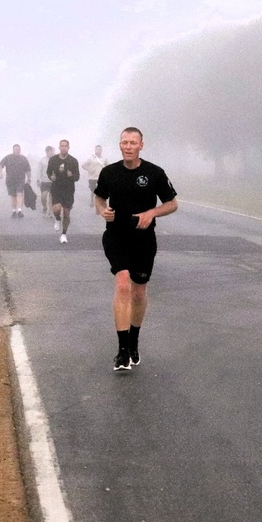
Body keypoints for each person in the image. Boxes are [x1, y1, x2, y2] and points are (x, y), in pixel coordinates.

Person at [93, 127, 178, 372]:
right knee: (122, 284)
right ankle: (121, 351)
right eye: (124, 142)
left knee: (139, 293)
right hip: (116, 236)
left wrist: (152, 212)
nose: (128, 146)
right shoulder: (109, 173)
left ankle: (133, 340)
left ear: (141, 145)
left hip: (143, 239)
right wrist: (103, 210)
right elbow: (99, 198)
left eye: (133, 143)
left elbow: (172, 203)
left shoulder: (154, 173)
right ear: (119, 145)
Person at [46, 139, 80, 244]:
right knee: (56, 209)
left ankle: (64, 234)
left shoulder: (73, 161)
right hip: (56, 188)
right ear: (59, 147)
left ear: (68, 148)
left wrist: (72, 176)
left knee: (66, 213)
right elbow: (48, 172)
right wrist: (51, 177)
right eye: (62, 146)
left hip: (68, 189)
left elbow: (77, 177)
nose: (64, 147)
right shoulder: (53, 160)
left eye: (66, 146)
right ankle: (57, 218)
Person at [0, 144, 31, 218]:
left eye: (18, 149)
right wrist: (0, 173)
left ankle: (19, 210)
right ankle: (13, 211)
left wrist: (29, 179)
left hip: (20, 180)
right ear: (13, 150)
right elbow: (0, 165)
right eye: (16, 149)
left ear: (20, 150)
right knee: (13, 195)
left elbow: (28, 169)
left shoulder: (23, 159)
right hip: (10, 180)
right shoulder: (8, 158)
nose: (17, 150)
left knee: (20, 194)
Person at [81, 144, 108, 209]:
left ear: (101, 150)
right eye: (97, 149)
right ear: (95, 150)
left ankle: (98, 204)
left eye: (100, 149)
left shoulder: (104, 159)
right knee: (93, 190)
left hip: (101, 178)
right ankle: (92, 200)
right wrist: (89, 169)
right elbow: (83, 165)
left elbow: (107, 166)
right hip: (92, 177)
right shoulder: (90, 158)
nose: (98, 151)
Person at [37, 145, 55, 217]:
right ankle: (44, 206)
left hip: (53, 182)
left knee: (51, 197)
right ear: (47, 152)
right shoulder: (43, 160)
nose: (52, 153)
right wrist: (38, 179)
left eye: (52, 151)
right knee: (43, 196)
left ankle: (50, 212)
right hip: (44, 181)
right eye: (50, 152)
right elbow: (39, 170)